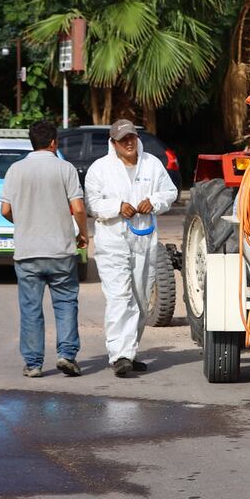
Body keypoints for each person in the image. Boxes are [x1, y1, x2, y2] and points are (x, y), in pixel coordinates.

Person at [85, 119, 177, 376]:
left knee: (140, 298)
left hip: (144, 241)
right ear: (113, 143)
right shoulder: (100, 169)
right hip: (112, 242)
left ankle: (129, 350)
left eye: (131, 137)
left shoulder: (152, 164)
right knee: (120, 297)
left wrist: (154, 201)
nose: (128, 143)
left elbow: (170, 192)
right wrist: (117, 207)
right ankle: (119, 355)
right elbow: (92, 204)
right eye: (122, 139)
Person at [0, 120, 88, 378]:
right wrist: (83, 234)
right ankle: (66, 355)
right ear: (53, 143)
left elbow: (5, 210)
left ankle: (33, 364)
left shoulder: (15, 170)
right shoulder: (65, 168)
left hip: (28, 252)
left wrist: (24, 222)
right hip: (60, 251)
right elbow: (78, 208)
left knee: (30, 308)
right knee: (66, 303)